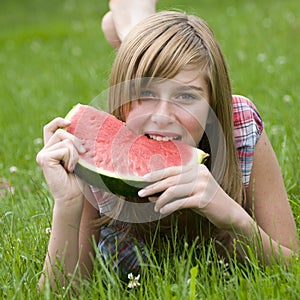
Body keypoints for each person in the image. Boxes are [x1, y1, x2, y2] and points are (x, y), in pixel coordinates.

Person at [36, 6, 299, 288]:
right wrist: (67, 203)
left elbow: (292, 266)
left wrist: (233, 216)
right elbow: (65, 291)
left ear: (213, 104)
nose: (162, 115)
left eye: (186, 96)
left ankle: (132, 28)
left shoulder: (239, 126)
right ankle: (131, 29)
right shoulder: (92, 151)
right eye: (144, 93)